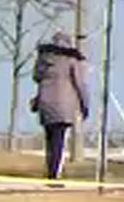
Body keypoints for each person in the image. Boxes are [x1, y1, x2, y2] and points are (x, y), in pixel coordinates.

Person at [32, 31, 91, 181]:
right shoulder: (71, 60)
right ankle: (54, 173)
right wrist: (85, 105)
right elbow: (80, 85)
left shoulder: (43, 59)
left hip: (45, 103)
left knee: (49, 138)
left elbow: (36, 78)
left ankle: (50, 168)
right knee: (59, 139)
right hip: (64, 105)